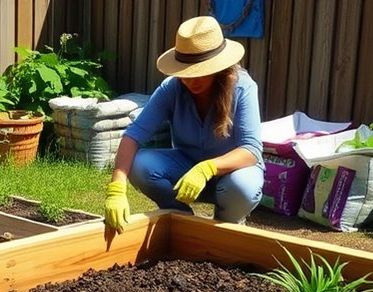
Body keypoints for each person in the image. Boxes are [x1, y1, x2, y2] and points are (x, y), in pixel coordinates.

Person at [105, 16, 264, 233]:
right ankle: (181, 220)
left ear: (217, 67)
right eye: (185, 73)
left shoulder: (243, 88)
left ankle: (227, 225)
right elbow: (134, 135)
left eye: (198, 72)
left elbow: (251, 150)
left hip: (232, 175)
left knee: (242, 188)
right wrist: (116, 187)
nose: (190, 80)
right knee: (140, 165)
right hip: (185, 168)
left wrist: (208, 168)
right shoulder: (171, 88)